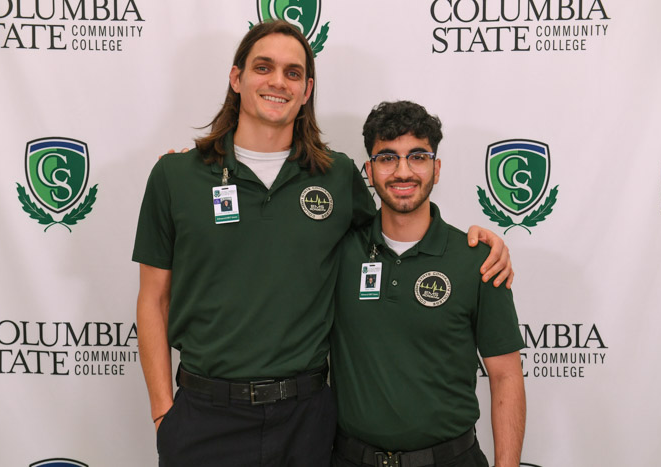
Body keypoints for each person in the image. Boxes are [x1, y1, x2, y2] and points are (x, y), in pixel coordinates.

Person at [133, 21, 512, 467]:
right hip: (205, 414)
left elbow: (396, 232)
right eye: (263, 67)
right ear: (236, 79)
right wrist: (163, 411)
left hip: (307, 418)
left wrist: (479, 241)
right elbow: (153, 299)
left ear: (307, 89)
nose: (278, 81)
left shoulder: (337, 175)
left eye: (293, 72)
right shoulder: (175, 177)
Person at [330, 101, 526, 467]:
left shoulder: (479, 260)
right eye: (387, 158)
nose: (402, 171)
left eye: (417, 156)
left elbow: (506, 376)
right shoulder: (338, 251)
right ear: (369, 171)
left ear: (436, 168)